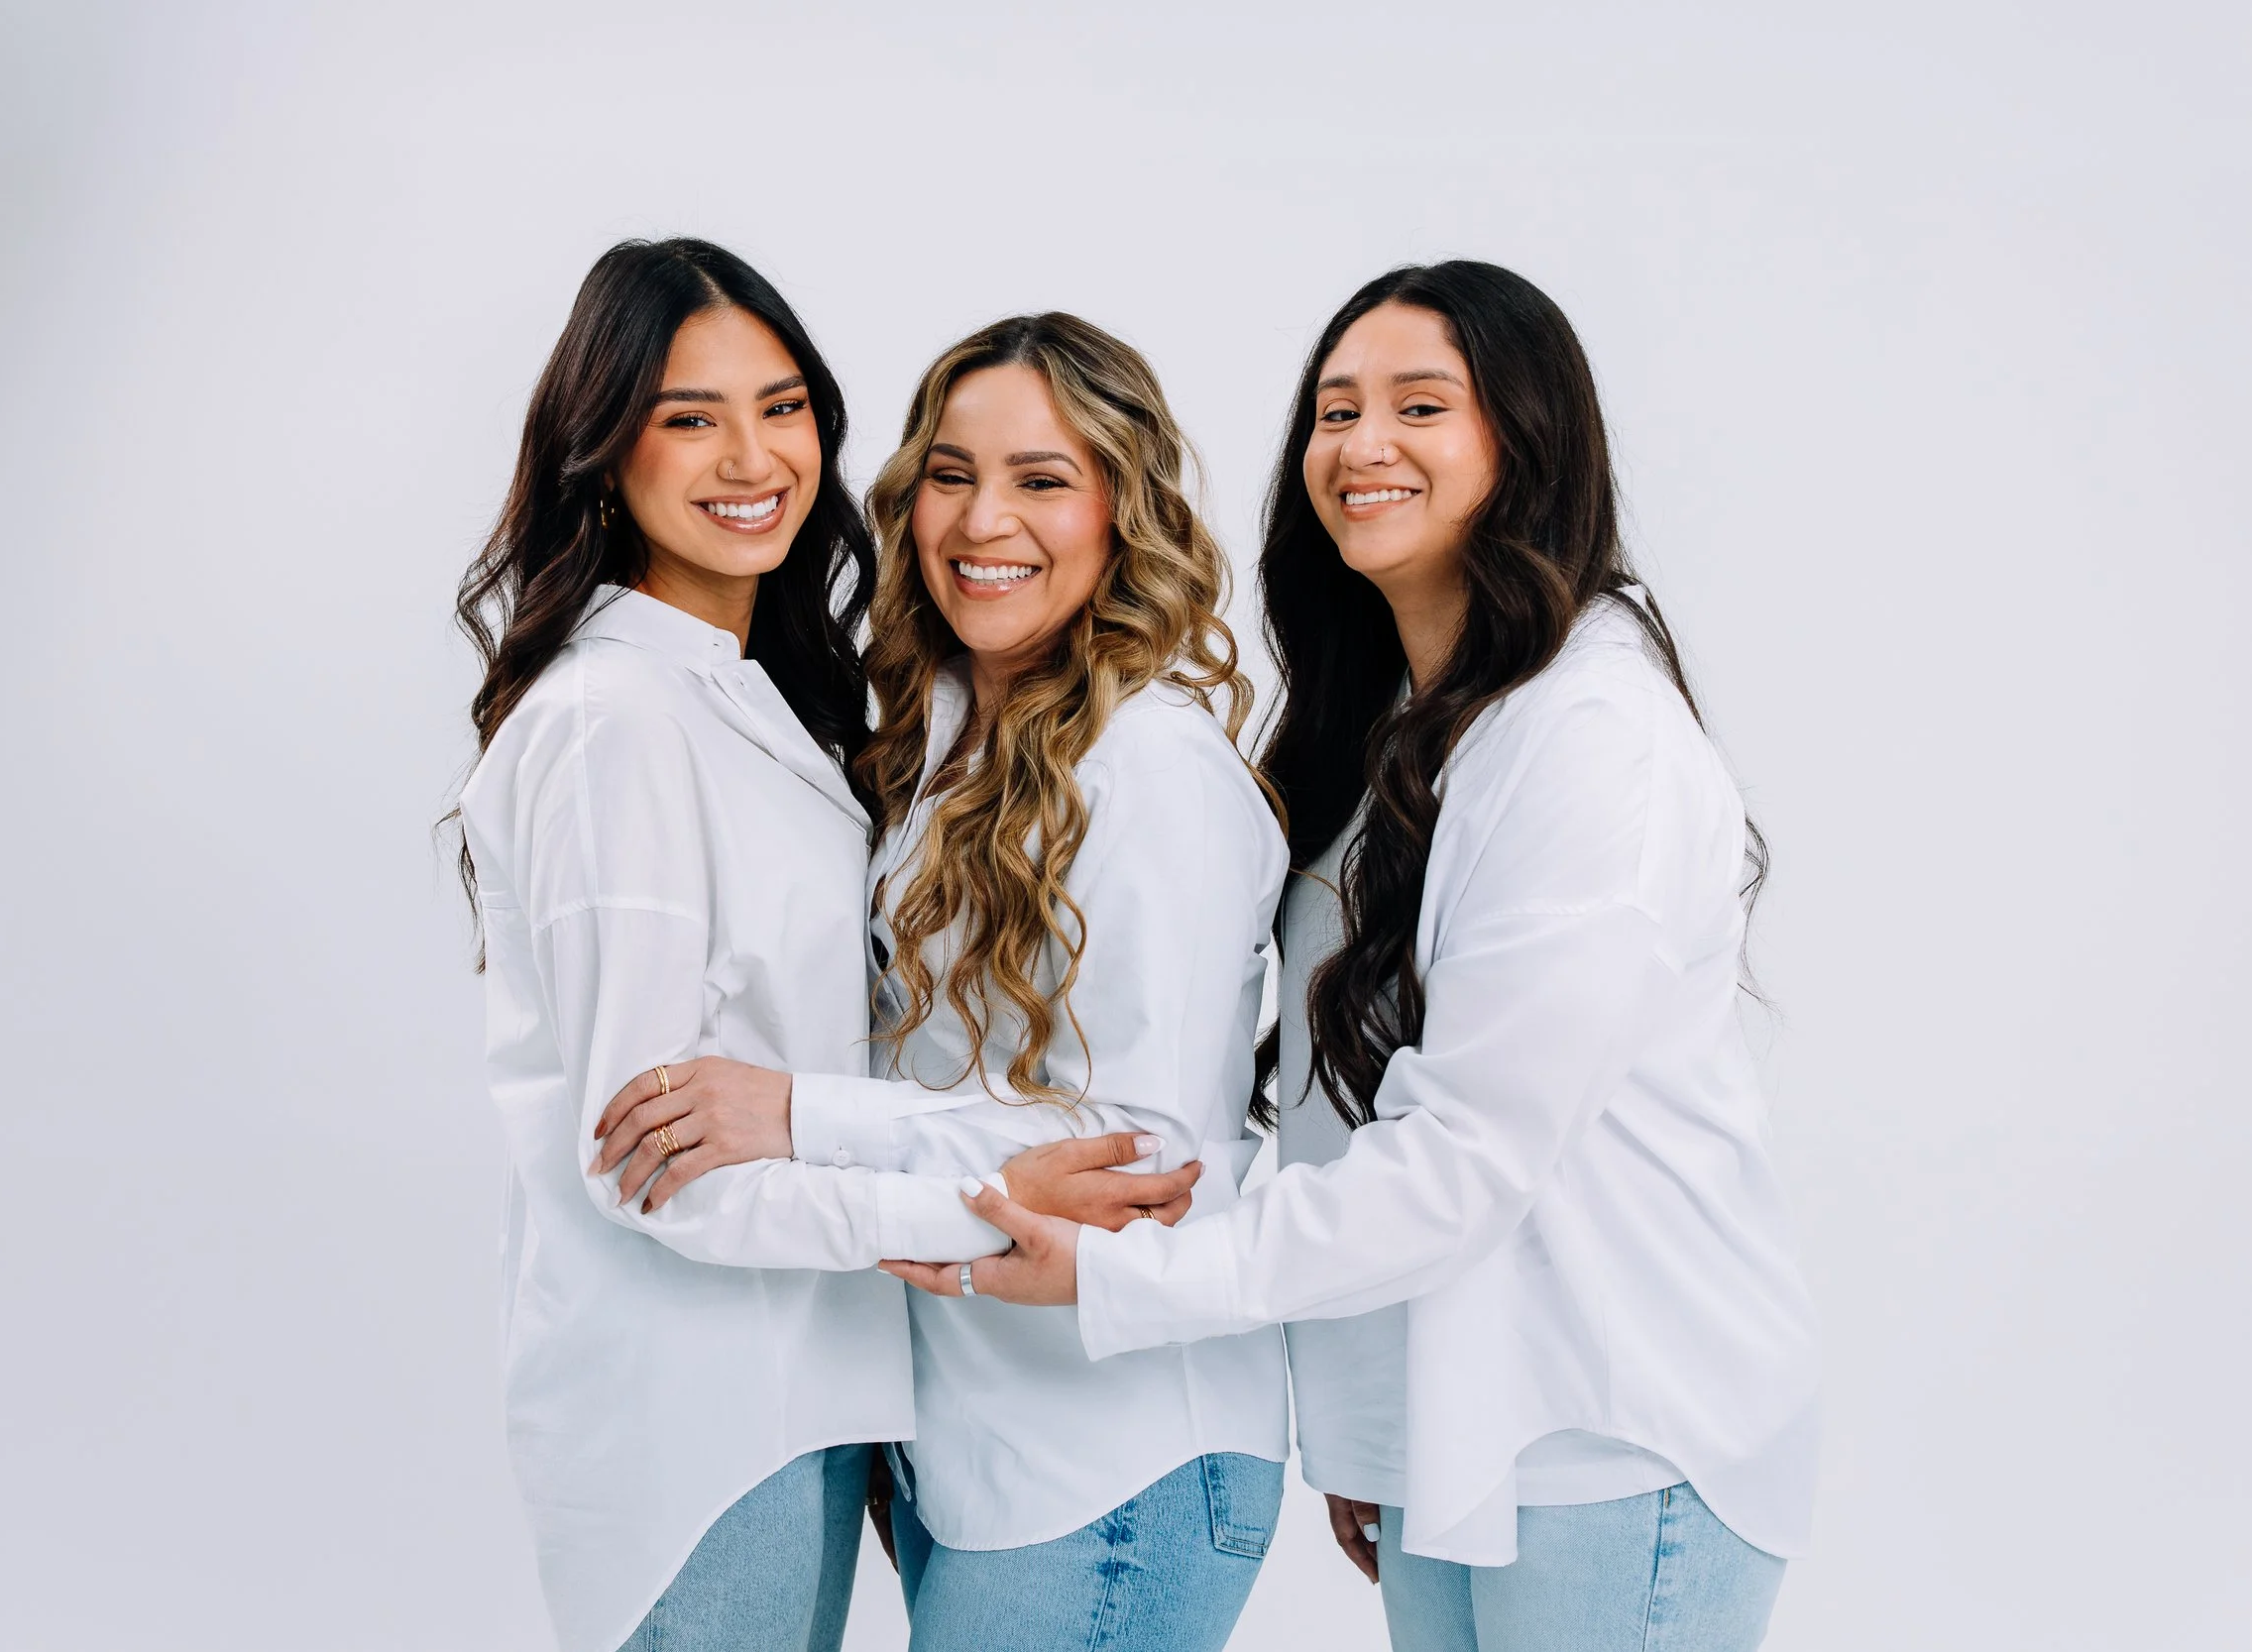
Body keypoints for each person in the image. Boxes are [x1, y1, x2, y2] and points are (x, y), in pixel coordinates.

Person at [887, 264, 1822, 1652]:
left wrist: (1119, 1277)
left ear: (1528, 443)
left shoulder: (1592, 739)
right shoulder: (1396, 731)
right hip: (1470, 1440)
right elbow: (1343, 1118)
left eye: (1419, 406)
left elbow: (1465, 1158)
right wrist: (1381, 1420)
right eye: (1334, 409)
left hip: (1620, 1447)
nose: (1361, 444)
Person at [453, 243, 1196, 1652]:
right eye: (689, 416)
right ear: (601, 450)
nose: (752, 455)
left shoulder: (747, 701)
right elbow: (650, 1171)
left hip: (797, 1413)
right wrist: (982, 1208)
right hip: (700, 1431)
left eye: (782, 406)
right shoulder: (620, 720)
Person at [596, 312, 1291, 1652]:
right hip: (965, 1451)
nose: (986, 521)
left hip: (1112, 1465)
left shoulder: (1157, 770)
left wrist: (791, 1114)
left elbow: (1138, 1156)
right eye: (952, 475)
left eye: (1043, 479)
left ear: (1121, 511)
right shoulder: (939, 739)